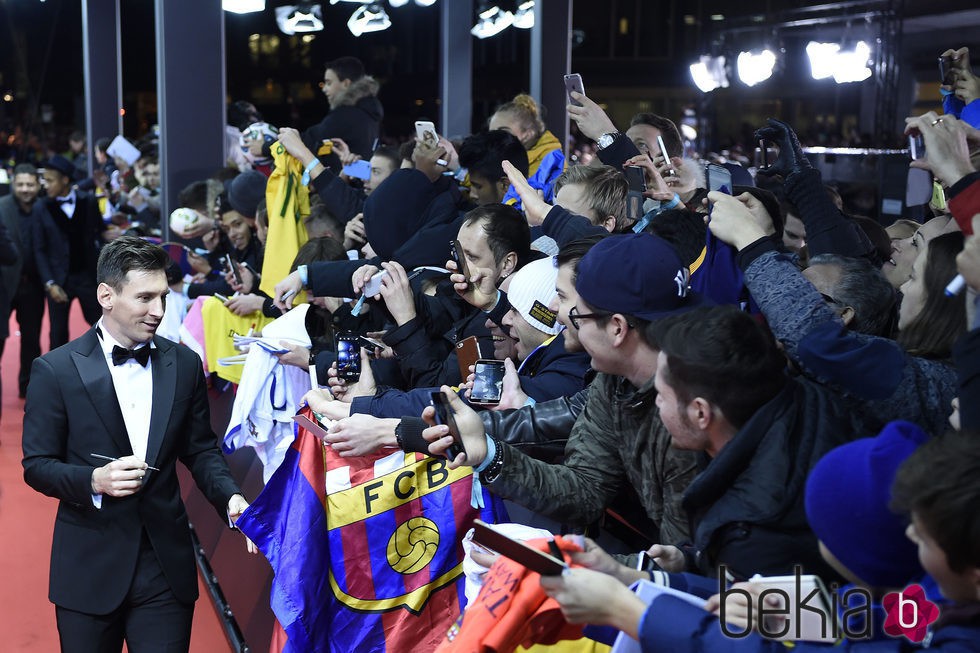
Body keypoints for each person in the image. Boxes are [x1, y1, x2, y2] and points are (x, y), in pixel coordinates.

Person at [21, 236, 251, 652]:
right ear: (106, 296)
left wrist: (231, 498)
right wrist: (94, 479)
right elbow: (37, 465)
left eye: (163, 296)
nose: (159, 311)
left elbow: (200, 449)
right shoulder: (55, 371)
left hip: (164, 565)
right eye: (145, 297)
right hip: (89, 566)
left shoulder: (183, 364)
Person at [422, 234, 705, 549]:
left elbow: (689, 570)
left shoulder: (693, 409)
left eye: (570, 304)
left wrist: (568, 567)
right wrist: (489, 454)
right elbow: (584, 489)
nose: (556, 310)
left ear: (617, 328)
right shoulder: (614, 380)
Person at [34, 154, 108, 349]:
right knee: (57, 335)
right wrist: (50, 283)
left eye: (49, 180)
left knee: (102, 328)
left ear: (65, 180)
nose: (45, 185)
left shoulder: (89, 201)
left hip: (88, 277)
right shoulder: (41, 207)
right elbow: (39, 249)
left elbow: (100, 236)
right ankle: (57, 377)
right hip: (58, 280)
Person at [0, 163, 45, 398]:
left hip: (34, 285)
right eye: (20, 184)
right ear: (13, 185)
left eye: (29, 184)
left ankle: (27, 387)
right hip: (4, 285)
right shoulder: (1, 207)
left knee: (31, 338)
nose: (25, 189)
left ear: (37, 185)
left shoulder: (44, 208)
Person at [302, 56, 383, 167]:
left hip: (348, 183)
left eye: (329, 83)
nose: (324, 89)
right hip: (362, 181)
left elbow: (307, 140)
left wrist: (286, 137)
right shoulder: (369, 112)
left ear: (346, 84)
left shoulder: (346, 115)